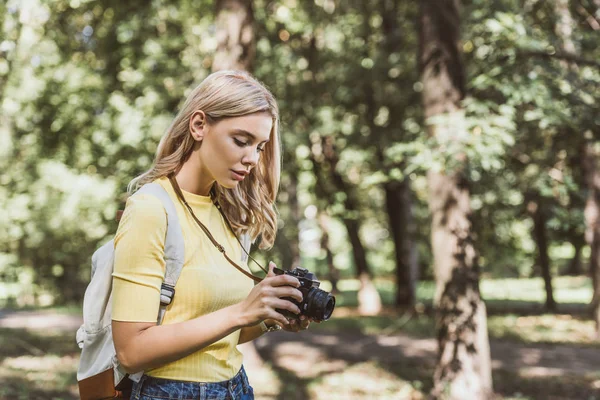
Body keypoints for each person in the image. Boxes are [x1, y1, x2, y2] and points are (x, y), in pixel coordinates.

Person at [111, 70, 311, 400]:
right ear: (199, 125)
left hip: (236, 386)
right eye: (242, 141)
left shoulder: (231, 213)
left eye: (260, 147)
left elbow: (223, 334)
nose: (252, 158)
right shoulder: (151, 208)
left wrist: (267, 315)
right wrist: (241, 311)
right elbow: (131, 351)